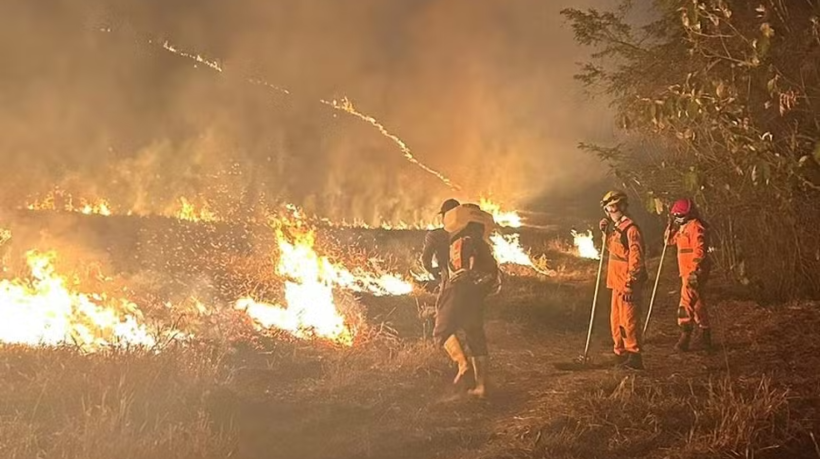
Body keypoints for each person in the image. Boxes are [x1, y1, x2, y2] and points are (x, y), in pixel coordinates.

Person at [434, 204, 500, 398]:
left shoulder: (462, 239)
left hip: (457, 291)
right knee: (475, 335)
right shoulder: (483, 244)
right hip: (477, 295)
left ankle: (463, 366)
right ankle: (481, 386)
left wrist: (463, 274)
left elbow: (463, 265)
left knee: (442, 330)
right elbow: (491, 273)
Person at [599, 190, 648, 370]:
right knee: (616, 320)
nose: (609, 212)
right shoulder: (617, 227)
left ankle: (634, 357)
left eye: (612, 208)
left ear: (621, 206)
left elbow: (636, 259)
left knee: (629, 321)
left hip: (627, 284)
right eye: (607, 209)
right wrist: (605, 233)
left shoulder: (631, 229)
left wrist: (631, 283)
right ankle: (620, 354)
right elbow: (611, 249)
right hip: (616, 283)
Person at [665, 198, 712, 352]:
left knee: (685, 303)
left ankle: (684, 336)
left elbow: (699, 250)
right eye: (675, 215)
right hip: (685, 271)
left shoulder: (696, 227)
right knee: (697, 303)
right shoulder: (682, 228)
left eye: (680, 214)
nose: (678, 217)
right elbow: (669, 241)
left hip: (694, 273)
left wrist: (695, 270)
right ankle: (705, 335)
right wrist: (670, 226)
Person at [421, 199, 461, 289]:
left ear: (445, 216)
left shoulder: (435, 235)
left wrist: (435, 272)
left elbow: (426, 260)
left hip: (449, 283)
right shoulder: (472, 234)